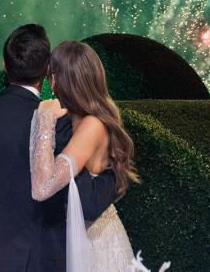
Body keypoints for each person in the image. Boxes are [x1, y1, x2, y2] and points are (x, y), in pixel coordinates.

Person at [0, 24, 118, 272]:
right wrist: (114, 172)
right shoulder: (56, 122)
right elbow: (87, 202)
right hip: (40, 257)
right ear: (46, 71)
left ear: (4, 65)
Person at [30, 40, 137, 272]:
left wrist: (45, 120)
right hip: (78, 238)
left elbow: (42, 187)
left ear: (55, 80)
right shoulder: (76, 121)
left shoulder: (91, 125)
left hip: (95, 243)